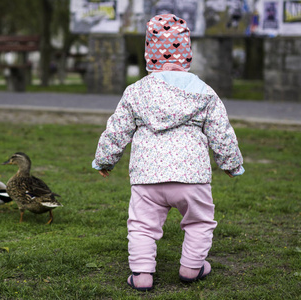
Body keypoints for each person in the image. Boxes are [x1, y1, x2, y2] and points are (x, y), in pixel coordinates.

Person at [92, 13, 244, 291]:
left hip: (147, 176)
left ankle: (142, 275)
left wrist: (105, 160)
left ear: (149, 54)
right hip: (192, 176)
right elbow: (221, 132)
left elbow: (117, 129)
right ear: (187, 54)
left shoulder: (136, 92)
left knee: (141, 226)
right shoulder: (204, 92)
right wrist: (231, 164)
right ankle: (190, 268)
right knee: (199, 222)